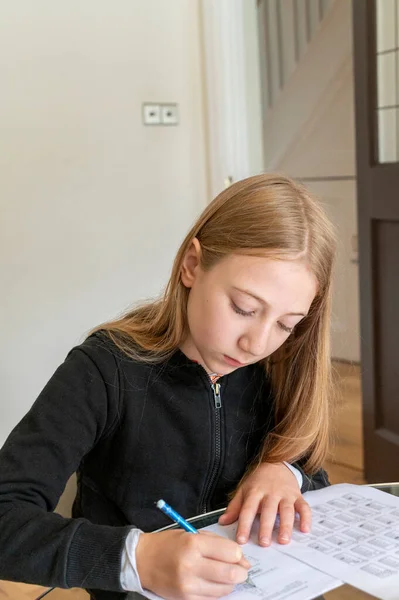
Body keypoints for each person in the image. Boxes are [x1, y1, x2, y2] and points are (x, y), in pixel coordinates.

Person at [0, 174, 336, 600]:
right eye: (243, 308)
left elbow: (314, 475)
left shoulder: (278, 367)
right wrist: (139, 558)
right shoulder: (105, 368)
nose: (257, 344)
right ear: (192, 265)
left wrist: (284, 472)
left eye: (288, 323)